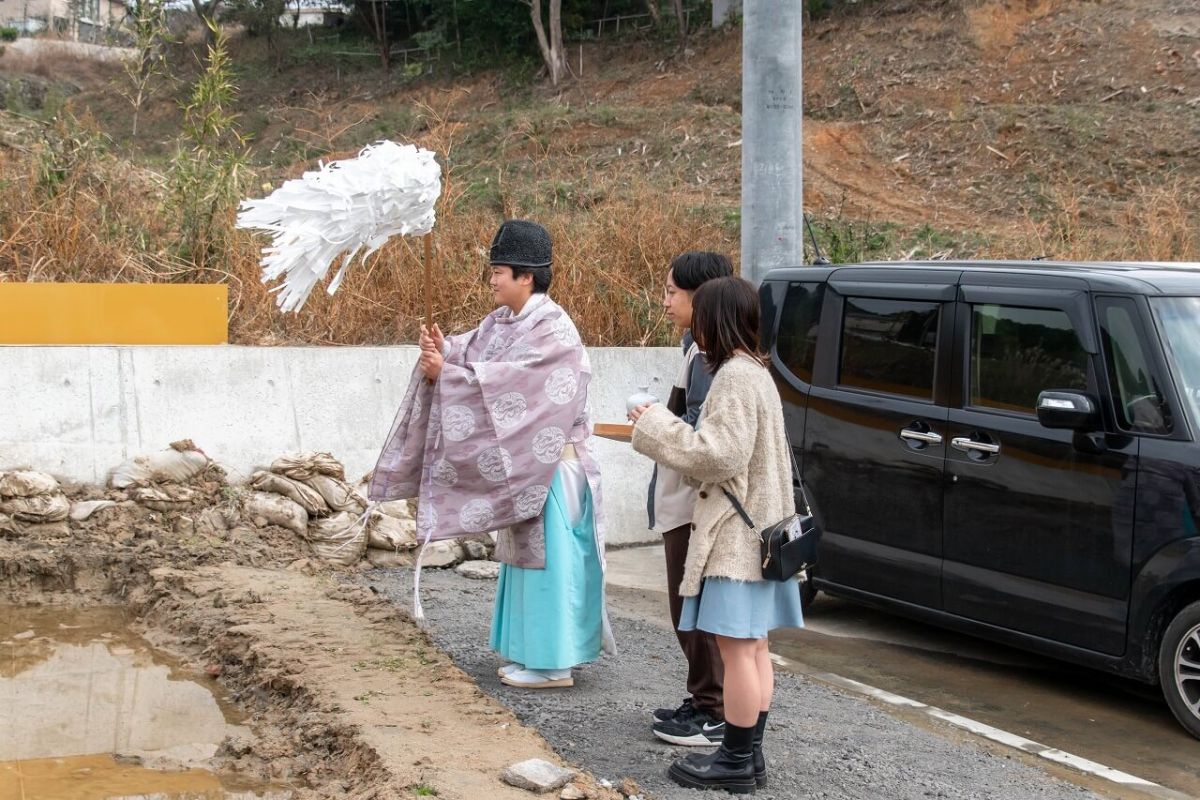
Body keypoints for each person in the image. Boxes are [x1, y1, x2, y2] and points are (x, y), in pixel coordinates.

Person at [369, 219, 614, 690]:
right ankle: (531, 653)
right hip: (526, 465)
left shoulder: (554, 330)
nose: (492, 279)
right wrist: (444, 351)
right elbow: (475, 356)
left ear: (527, 276)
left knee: (551, 564)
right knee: (526, 564)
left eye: (499, 271)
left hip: (553, 467)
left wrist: (452, 375)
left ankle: (554, 663)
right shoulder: (501, 321)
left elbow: (521, 385)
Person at [629, 276, 803, 793]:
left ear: (716, 319)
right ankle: (749, 759)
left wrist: (655, 424)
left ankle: (732, 760)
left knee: (737, 651)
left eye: (700, 313)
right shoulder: (758, 372)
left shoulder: (732, 376)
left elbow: (717, 455)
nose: (694, 323)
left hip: (735, 540)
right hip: (764, 536)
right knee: (754, 649)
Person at [645, 252, 733, 747]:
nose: (665, 302)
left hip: (694, 503)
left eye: (671, 293)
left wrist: (652, 423)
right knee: (689, 609)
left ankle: (714, 711)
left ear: (703, 297)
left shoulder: (712, 360)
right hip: (682, 497)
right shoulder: (696, 349)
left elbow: (701, 438)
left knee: (694, 609)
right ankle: (705, 701)